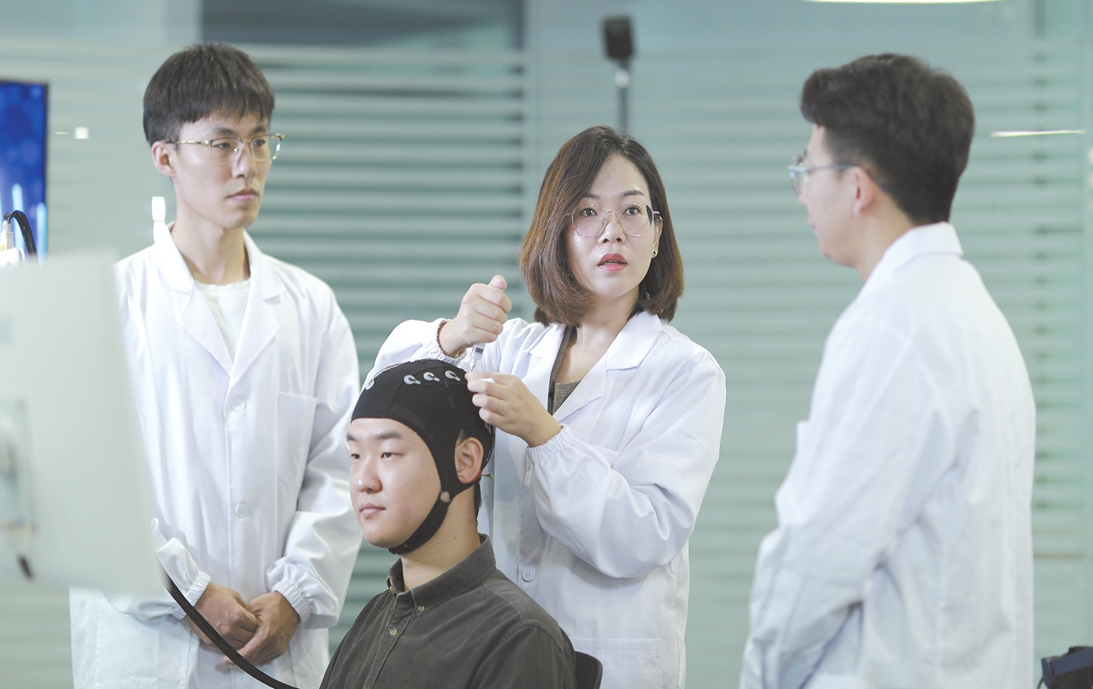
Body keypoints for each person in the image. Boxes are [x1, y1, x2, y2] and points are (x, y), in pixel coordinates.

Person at [372, 125, 726, 689]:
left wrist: (546, 436)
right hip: (493, 652)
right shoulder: (510, 349)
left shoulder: (685, 372)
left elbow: (647, 534)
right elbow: (384, 407)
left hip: (612, 662)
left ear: (658, 235)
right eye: (587, 213)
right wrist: (453, 335)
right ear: (556, 233)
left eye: (634, 212)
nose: (613, 231)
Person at [69, 42, 362, 688]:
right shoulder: (106, 305)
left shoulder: (310, 307)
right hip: (148, 654)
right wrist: (191, 592)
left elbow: (341, 470)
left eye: (260, 142)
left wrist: (295, 596)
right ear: (165, 156)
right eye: (222, 142)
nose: (246, 165)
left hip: (276, 650)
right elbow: (88, 482)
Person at [740, 54, 1036, 689]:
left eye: (808, 170)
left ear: (857, 186)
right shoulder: (971, 311)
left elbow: (817, 557)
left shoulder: (892, 327)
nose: (803, 191)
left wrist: (762, 675)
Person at [321, 359, 577, 688]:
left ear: (465, 461)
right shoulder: (378, 613)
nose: (362, 482)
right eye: (356, 455)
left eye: (388, 454)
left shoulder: (517, 636)